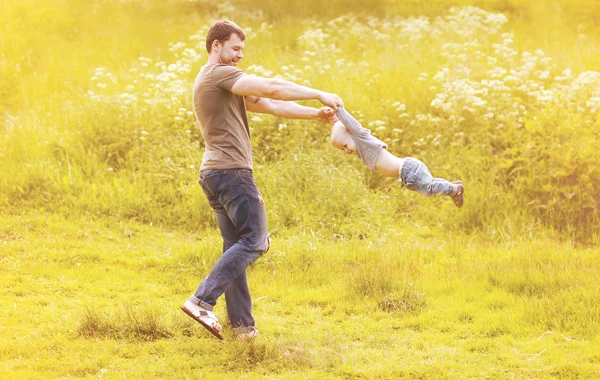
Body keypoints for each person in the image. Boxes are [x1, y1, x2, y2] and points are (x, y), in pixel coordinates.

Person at [181, 20, 343, 340]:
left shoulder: (219, 82)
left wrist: (314, 114)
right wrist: (318, 94)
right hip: (232, 173)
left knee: (236, 247)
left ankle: (243, 328)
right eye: (235, 48)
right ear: (216, 46)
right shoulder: (218, 74)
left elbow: (268, 103)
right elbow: (270, 86)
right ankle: (202, 300)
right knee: (256, 241)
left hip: (214, 173)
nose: (240, 55)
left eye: (242, 49)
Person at [326, 107, 464, 207]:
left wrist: (337, 109)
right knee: (428, 186)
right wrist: (335, 121)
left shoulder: (361, 138)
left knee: (429, 188)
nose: (345, 151)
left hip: (408, 170)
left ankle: (453, 189)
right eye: (342, 149)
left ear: (351, 133)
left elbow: (350, 124)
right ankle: (452, 186)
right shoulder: (360, 149)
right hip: (407, 172)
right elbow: (342, 129)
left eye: (344, 146)